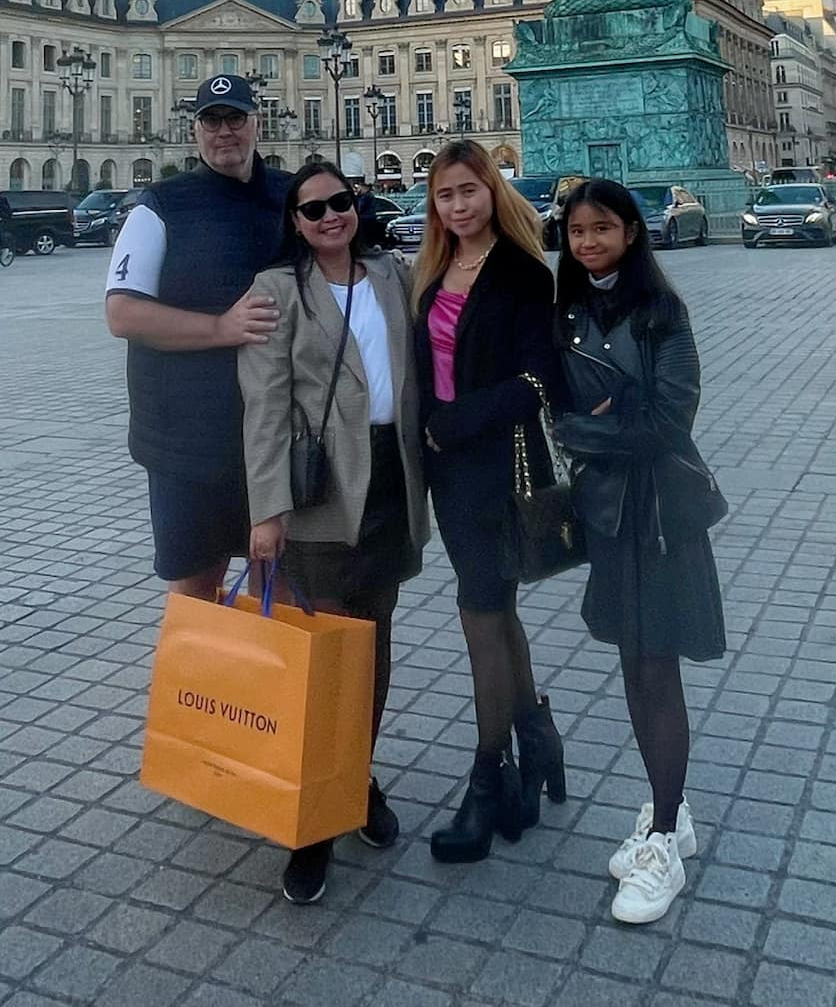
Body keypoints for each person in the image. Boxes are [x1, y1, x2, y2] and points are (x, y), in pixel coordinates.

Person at [239, 159, 429, 906]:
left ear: (357, 206)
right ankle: (311, 824)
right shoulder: (277, 290)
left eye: (339, 203)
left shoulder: (391, 275)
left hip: (390, 483)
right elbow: (263, 406)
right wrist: (266, 509)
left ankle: (354, 781)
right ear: (295, 222)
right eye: (312, 209)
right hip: (319, 490)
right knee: (323, 661)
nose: (329, 217)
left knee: (372, 649)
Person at [552, 180, 727, 927]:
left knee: (656, 666)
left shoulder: (661, 311)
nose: (588, 242)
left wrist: (586, 427)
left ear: (631, 232)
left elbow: (667, 419)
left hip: (657, 514)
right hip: (607, 514)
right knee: (633, 660)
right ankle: (669, 812)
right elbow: (557, 407)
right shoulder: (569, 310)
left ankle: (663, 840)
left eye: (602, 229)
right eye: (577, 231)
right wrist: (594, 419)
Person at [413, 138, 564, 863]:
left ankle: (488, 776)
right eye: (445, 195)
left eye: (468, 190)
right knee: (496, 610)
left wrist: (455, 422)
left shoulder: (524, 272)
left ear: (492, 190)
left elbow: (538, 381)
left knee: (480, 612)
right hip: (448, 471)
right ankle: (538, 740)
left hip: (499, 463)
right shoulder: (433, 267)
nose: (458, 205)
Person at [106, 75, 291, 598]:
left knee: (277, 588)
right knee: (197, 592)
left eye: (235, 118)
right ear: (195, 131)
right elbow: (122, 313)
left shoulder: (292, 195)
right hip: (187, 443)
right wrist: (220, 328)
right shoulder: (159, 205)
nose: (224, 131)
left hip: (277, 436)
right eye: (211, 120)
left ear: (257, 123)